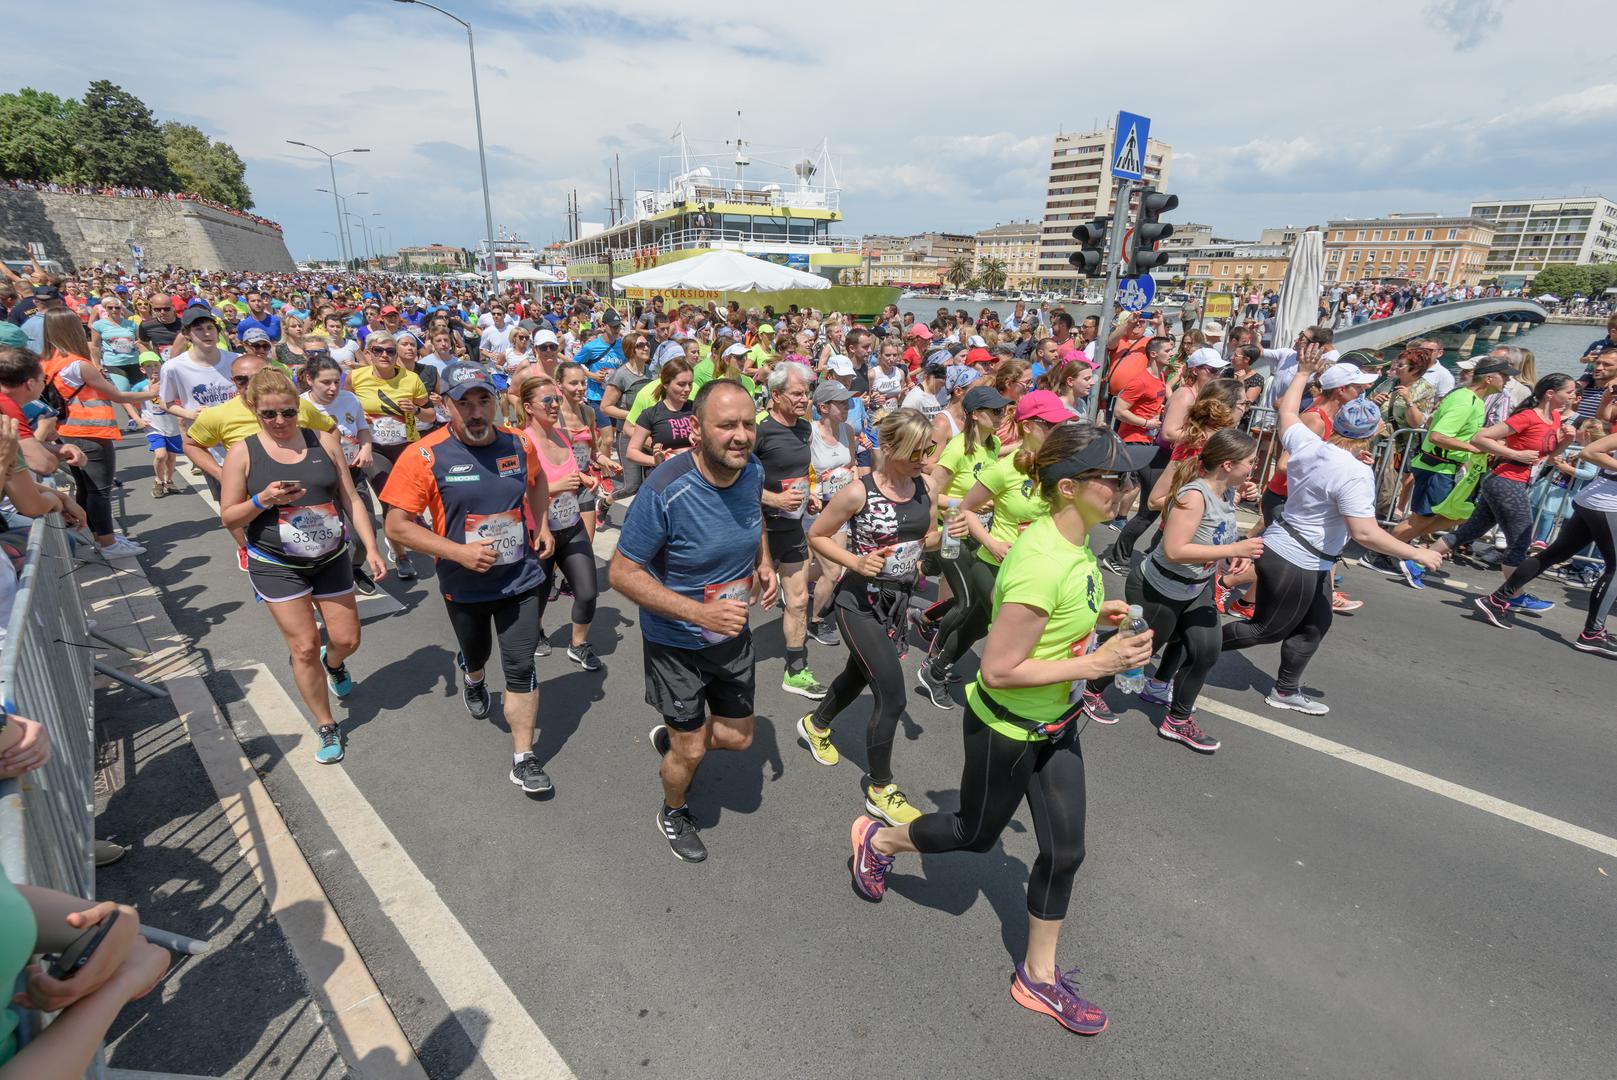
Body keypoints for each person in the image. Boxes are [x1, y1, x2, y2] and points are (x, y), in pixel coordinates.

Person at [848, 421, 1155, 1037]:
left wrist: (1095, 616)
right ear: (1069, 488)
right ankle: (878, 841)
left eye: (1128, 476)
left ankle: (1038, 977)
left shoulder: (1076, 545)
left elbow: (1050, 617)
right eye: (1114, 478)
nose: (1128, 487)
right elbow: (1001, 667)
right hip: (1008, 728)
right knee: (973, 834)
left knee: (1065, 851)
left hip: (1057, 723)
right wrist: (1097, 662)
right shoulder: (1043, 559)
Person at [609, 380, 779, 863]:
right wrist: (699, 612)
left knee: (739, 738)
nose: (741, 435)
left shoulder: (751, 472)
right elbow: (621, 573)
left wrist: (762, 563)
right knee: (692, 753)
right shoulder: (666, 489)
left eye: (748, 424)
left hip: (730, 632)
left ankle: (677, 739)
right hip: (675, 642)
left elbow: (753, 521)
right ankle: (673, 809)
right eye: (727, 425)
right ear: (698, 431)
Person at [1222, 344, 1441, 714]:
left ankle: (1286, 690)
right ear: (1371, 433)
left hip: (1306, 554)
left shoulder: (1311, 443)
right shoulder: (1355, 472)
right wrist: (1417, 551)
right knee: (1266, 630)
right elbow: (1365, 534)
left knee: (1315, 625)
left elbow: (1288, 410)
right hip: (1297, 556)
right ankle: (1181, 646)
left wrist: (1304, 372)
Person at [380, 362, 558, 794]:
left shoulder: (517, 443)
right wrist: (458, 552)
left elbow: (537, 483)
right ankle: (473, 677)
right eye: (464, 403)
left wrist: (542, 524)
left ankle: (524, 757)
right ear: (445, 406)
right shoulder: (424, 455)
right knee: (476, 653)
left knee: (520, 665)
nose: (476, 412)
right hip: (464, 584)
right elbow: (397, 526)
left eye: (484, 401)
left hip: (520, 578)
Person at [219, 369, 384, 763]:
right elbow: (229, 516)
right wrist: (262, 500)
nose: (280, 422)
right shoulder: (242, 452)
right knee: (303, 646)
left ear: (299, 408)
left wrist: (373, 548)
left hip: (329, 556)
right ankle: (327, 725)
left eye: (288, 413)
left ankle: (336, 663)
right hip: (276, 562)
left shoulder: (323, 441)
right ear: (253, 410)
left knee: (346, 639)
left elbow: (352, 498)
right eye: (269, 414)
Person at [801, 409, 937, 824]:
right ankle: (881, 788)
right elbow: (817, 535)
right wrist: (855, 563)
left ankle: (816, 723)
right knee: (892, 695)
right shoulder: (858, 492)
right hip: (858, 603)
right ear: (891, 447)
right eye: (918, 450)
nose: (925, 458)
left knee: (858, 674)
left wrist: (945, 537)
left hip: (897, 603)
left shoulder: (924, 486)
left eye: (929, 449)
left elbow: (924, 537)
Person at [1101, 428, 1263, 753]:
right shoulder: (1193, 496)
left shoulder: (1226, 493)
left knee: (1206, 651)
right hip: (1160, 588)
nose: (1254, 468)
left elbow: (1214, 536)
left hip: (1195, 588)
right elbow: (1175, 550)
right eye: (1250, 462)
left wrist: (1232, 554)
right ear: (1228, 465)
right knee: (1138, 650)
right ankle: (1091, 686)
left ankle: (1177, 720)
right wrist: (1236, 549)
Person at [1433, 374, 1580, 608]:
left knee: (1471, 530)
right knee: (1520, 541)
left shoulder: (1553, 418)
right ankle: (1514, 594)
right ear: (1550, 394)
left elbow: (1548, 459)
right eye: (1569, 391)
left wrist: (1565, 441)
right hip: (1506, 481)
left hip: (1515, 482)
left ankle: (1416, 563)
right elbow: (1480, 437)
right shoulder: (1527, 417)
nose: (1573, 396)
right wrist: (1515, 454)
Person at [1469, 426, 1617, 654]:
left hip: (1595, 501)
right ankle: (1592, 634)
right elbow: (1591, 452)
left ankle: (1497, 600)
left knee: (1554, 554)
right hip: (1606, 503)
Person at [916, 384, 1012, 706]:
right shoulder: (958, 448)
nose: (1002, 415)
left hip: (977, 534)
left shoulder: (994, 444)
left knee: (967, 599)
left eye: (1003, 409)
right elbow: (930, 489)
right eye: (996, 411)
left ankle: (926, 620)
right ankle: (932, 665)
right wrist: (962, 502)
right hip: (951, 532)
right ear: (975, 415)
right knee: (967, 602)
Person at [40, 309, 156, 557]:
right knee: (100, 490)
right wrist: (153, 392)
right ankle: (108, 543)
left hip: (67, 430)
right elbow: (117, 396)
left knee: (86, 487)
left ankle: (101, 537)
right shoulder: (78, 364)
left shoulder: (46, 360)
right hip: (91, 432)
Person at [755, 360, 830, 700]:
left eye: (807, 393)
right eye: (797, 393)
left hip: (792, 528)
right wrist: (775, 499)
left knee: (798, 600)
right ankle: (717, 658)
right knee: (745, 601)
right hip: (758, 533)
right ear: (776, 395)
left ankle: (796, 670)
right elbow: (735, 484)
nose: (805, 399)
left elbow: (801, 473)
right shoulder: (758, 433)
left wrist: (807, 497)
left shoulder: (803, 428)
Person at [517, 374, 603, 670]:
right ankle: (537, 632)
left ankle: (578, 645)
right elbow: (515, 491)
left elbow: (571, 472)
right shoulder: (522, 442)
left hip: (570, 524)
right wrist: (555, 486)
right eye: (548, 400)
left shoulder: (562, 435)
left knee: (588, 591)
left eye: (556, 399)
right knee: (538, 595)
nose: (555, 404)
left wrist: (584, 478)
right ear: (529, 407)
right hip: (538, 530)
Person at [348, 331, 429, 580]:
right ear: (368, 353)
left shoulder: (411, 378)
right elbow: (342, 404)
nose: (385, 355)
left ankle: (400, 530)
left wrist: (415, 410)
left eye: (390, 351)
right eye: (378, 350)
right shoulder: (356, 377)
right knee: (389, 500)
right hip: (375, 448)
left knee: (411, 499)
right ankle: (401, 555)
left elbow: (430, 415)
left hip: (406, 446)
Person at [301, 355, 379, 594]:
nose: (333, 388)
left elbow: (363, 429)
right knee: (325, 535)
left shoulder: (350, 399)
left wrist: (366, 447)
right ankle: (327, 578)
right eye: (325, 382)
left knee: (364, 537)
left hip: (353, 474)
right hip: (320, 480)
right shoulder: (299, 405)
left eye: (336, 381)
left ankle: (354, 567)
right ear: (309, 380)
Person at [1100, 336, 1174, 574]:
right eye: (1167, 350)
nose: (1171, 353)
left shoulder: (1160, 377)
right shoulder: (1140, 380)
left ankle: (1136, 552)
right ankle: (1118, 556)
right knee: (1151, 506)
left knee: (1151, 505)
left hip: (1151, 445)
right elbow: (1120, 411)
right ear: (1154, 354)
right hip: (1137, 444)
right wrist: (1147, 422)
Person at [804, 378, 862, 646]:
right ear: (824, 407)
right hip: (814, 509)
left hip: (839, 509)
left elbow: (852, 464)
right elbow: (798, 469)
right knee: (832, 571)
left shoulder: (848, 431)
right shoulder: (809, 433)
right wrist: (812, 490)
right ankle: (815, 622)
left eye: (848, 401)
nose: (848, 406)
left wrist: (852, 474)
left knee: (832, 569)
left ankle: (792, 580)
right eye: (841, 402)